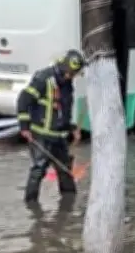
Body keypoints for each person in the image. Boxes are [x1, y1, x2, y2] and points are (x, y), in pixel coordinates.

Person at [16, 49, 85, 204]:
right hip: (40, 136)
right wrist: (24, 127)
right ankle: (31, 204)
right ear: (63, 66)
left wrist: (71, 128)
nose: (70, 76)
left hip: (58, 137)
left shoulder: (68, 85)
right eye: (69, 72)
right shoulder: (43, 79)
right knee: (38, 170)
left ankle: (68, 204)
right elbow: (23, 100)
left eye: (74, 74)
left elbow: (62, 112)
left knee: (65, 171)